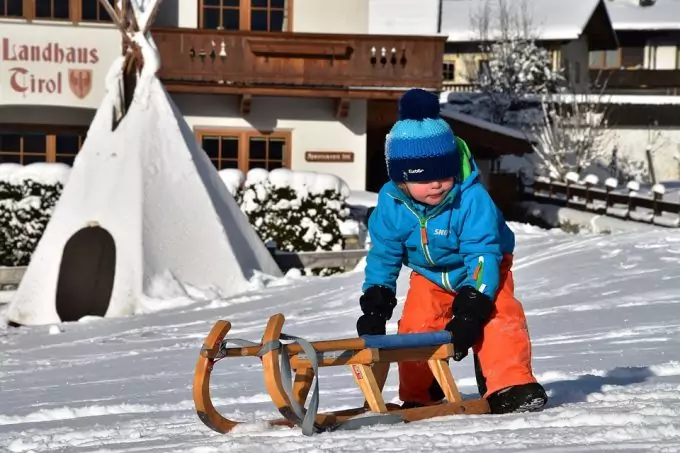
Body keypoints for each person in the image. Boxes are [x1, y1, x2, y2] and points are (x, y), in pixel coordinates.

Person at [356, 88, 548, 414]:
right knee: (415, 328)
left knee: (498, 318)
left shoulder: (471, 199)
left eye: (443, 173)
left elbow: (483, 254)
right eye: (424, 177)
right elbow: (383, 256)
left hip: (484, 269)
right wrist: (376, 303)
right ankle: (420, 394)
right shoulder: (391, 205)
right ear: (401, 180)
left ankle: (510, 384)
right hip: (430, 275)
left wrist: (471, 310)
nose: (437, 184)